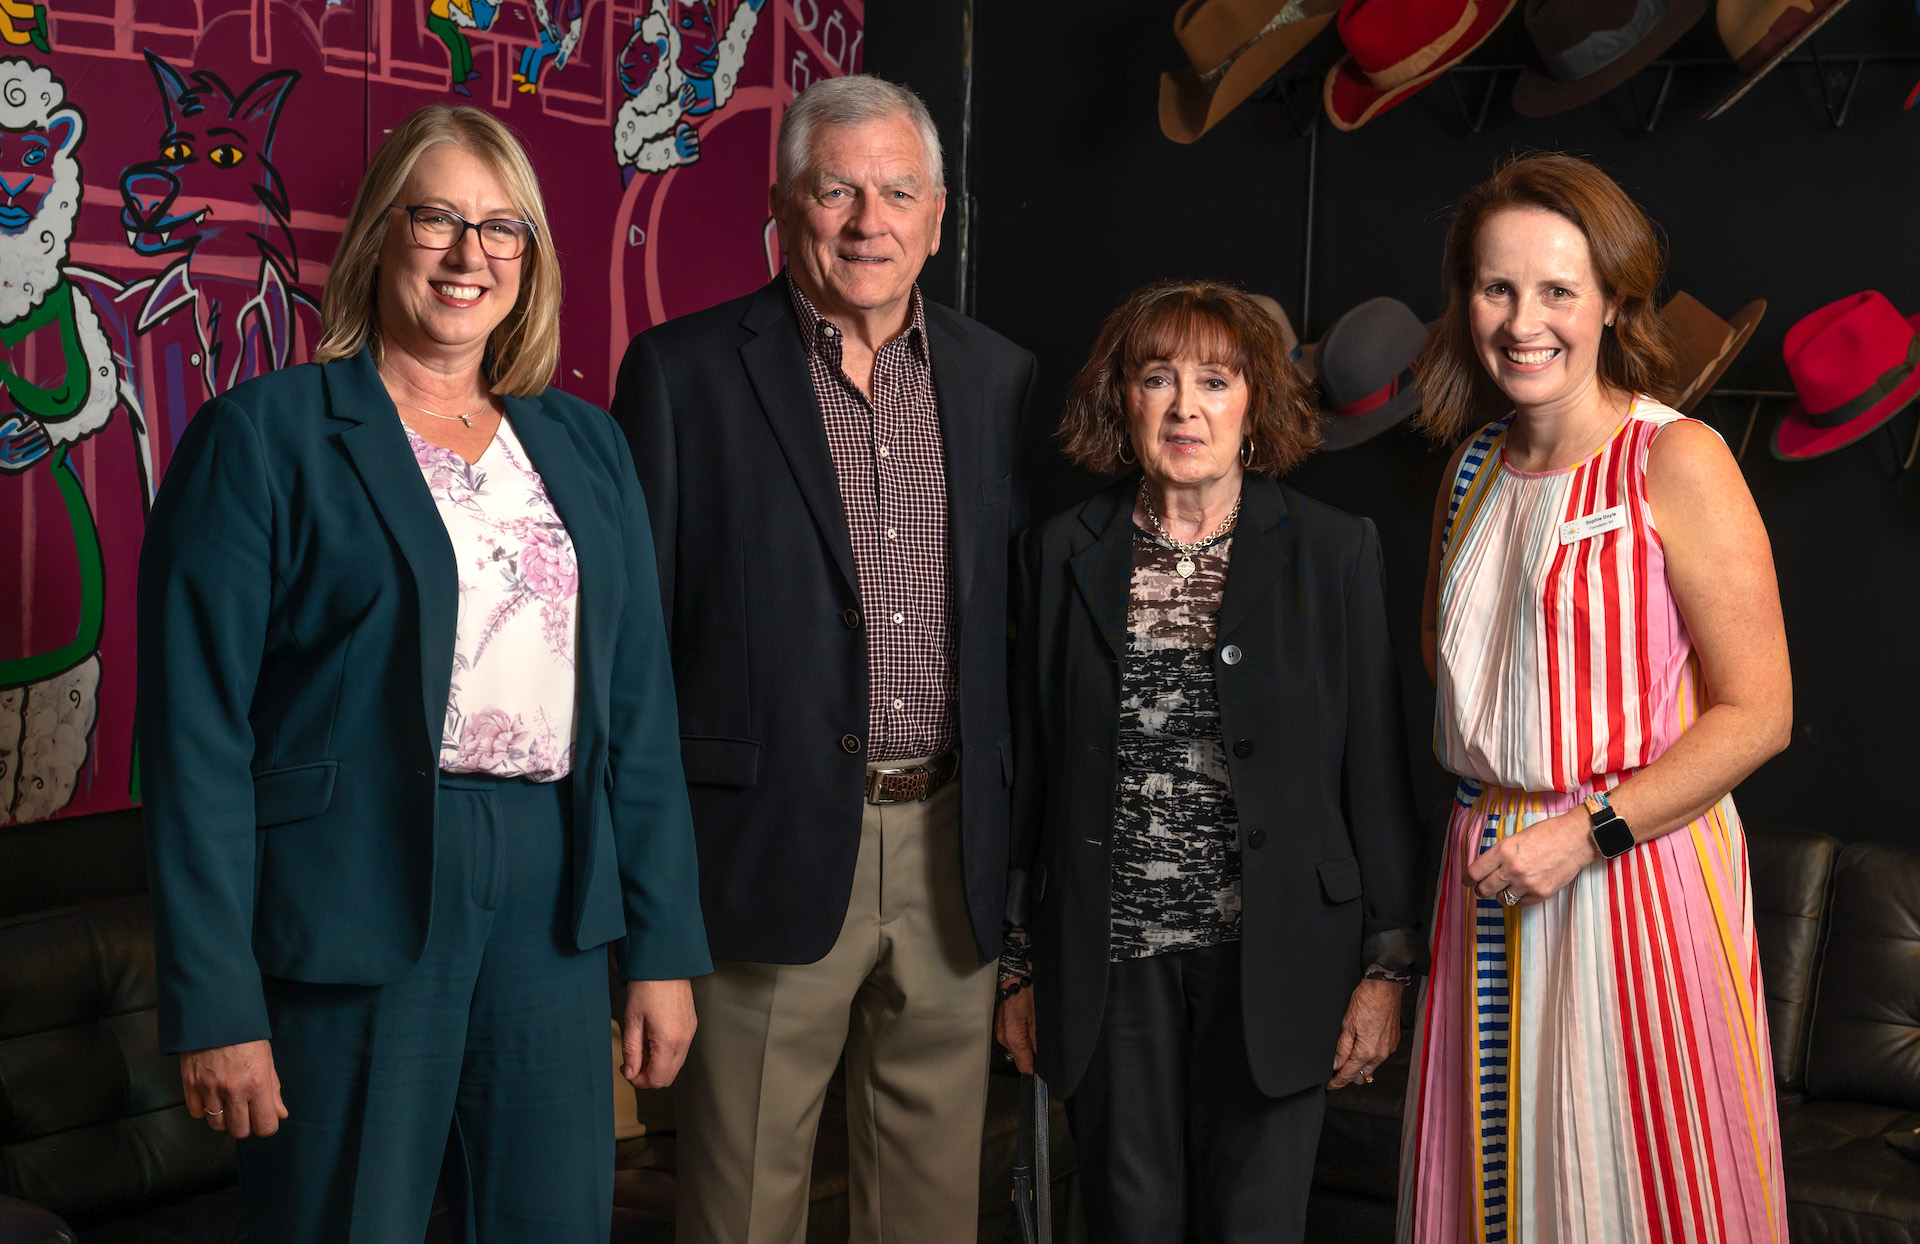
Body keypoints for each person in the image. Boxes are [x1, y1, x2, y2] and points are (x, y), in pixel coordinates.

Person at [137, 104, 710, 1241]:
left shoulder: (585, 445)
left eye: (503, 229)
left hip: (552, 900)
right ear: (378, 235)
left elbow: (636, 714)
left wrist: (664, 948)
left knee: (553, 1221)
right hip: (352, 891)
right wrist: (215, 1001)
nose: (470, 254)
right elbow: (196, 738)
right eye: (439, 218)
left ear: (529, 260)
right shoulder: (265, 436)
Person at [609, 74, 1034, 1244]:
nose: (869, 220)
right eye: (837, 189)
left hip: (952, 850)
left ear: (939, 216)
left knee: (931, 1215)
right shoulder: (681, 374)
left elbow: (1015, 641)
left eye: (899, 191)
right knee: (743, 1213)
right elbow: (628, 655)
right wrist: (646, 909)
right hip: (764, 849)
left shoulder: (997, 380)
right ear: (785, 204)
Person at [1399, 153, 1792, 1242]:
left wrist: (1585, 826)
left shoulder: (1679, 458)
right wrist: (1515, 807)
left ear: (1615, 301)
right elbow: (1449, 661)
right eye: (1496, 287)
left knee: (1640, 1191)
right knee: (1498, 1199)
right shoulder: (1470, 465)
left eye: (1558, 290)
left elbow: (1760, 712)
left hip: (1638, 877)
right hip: (1490, 876)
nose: (1524, 321)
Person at [994, 279, 1427, 1243]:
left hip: (1278, 959)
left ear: (1255, 404)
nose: (1185, 407)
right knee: (1127, 1222)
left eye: (1216, 381)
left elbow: (1376, 775)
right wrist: (1017, 965)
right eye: (1158, 378)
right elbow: (1031, 770)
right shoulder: (1059, 551)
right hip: (1108, 965)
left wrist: (1388, 967)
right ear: (1123, 401)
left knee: (1254, 1227)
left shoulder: (1332, 550)